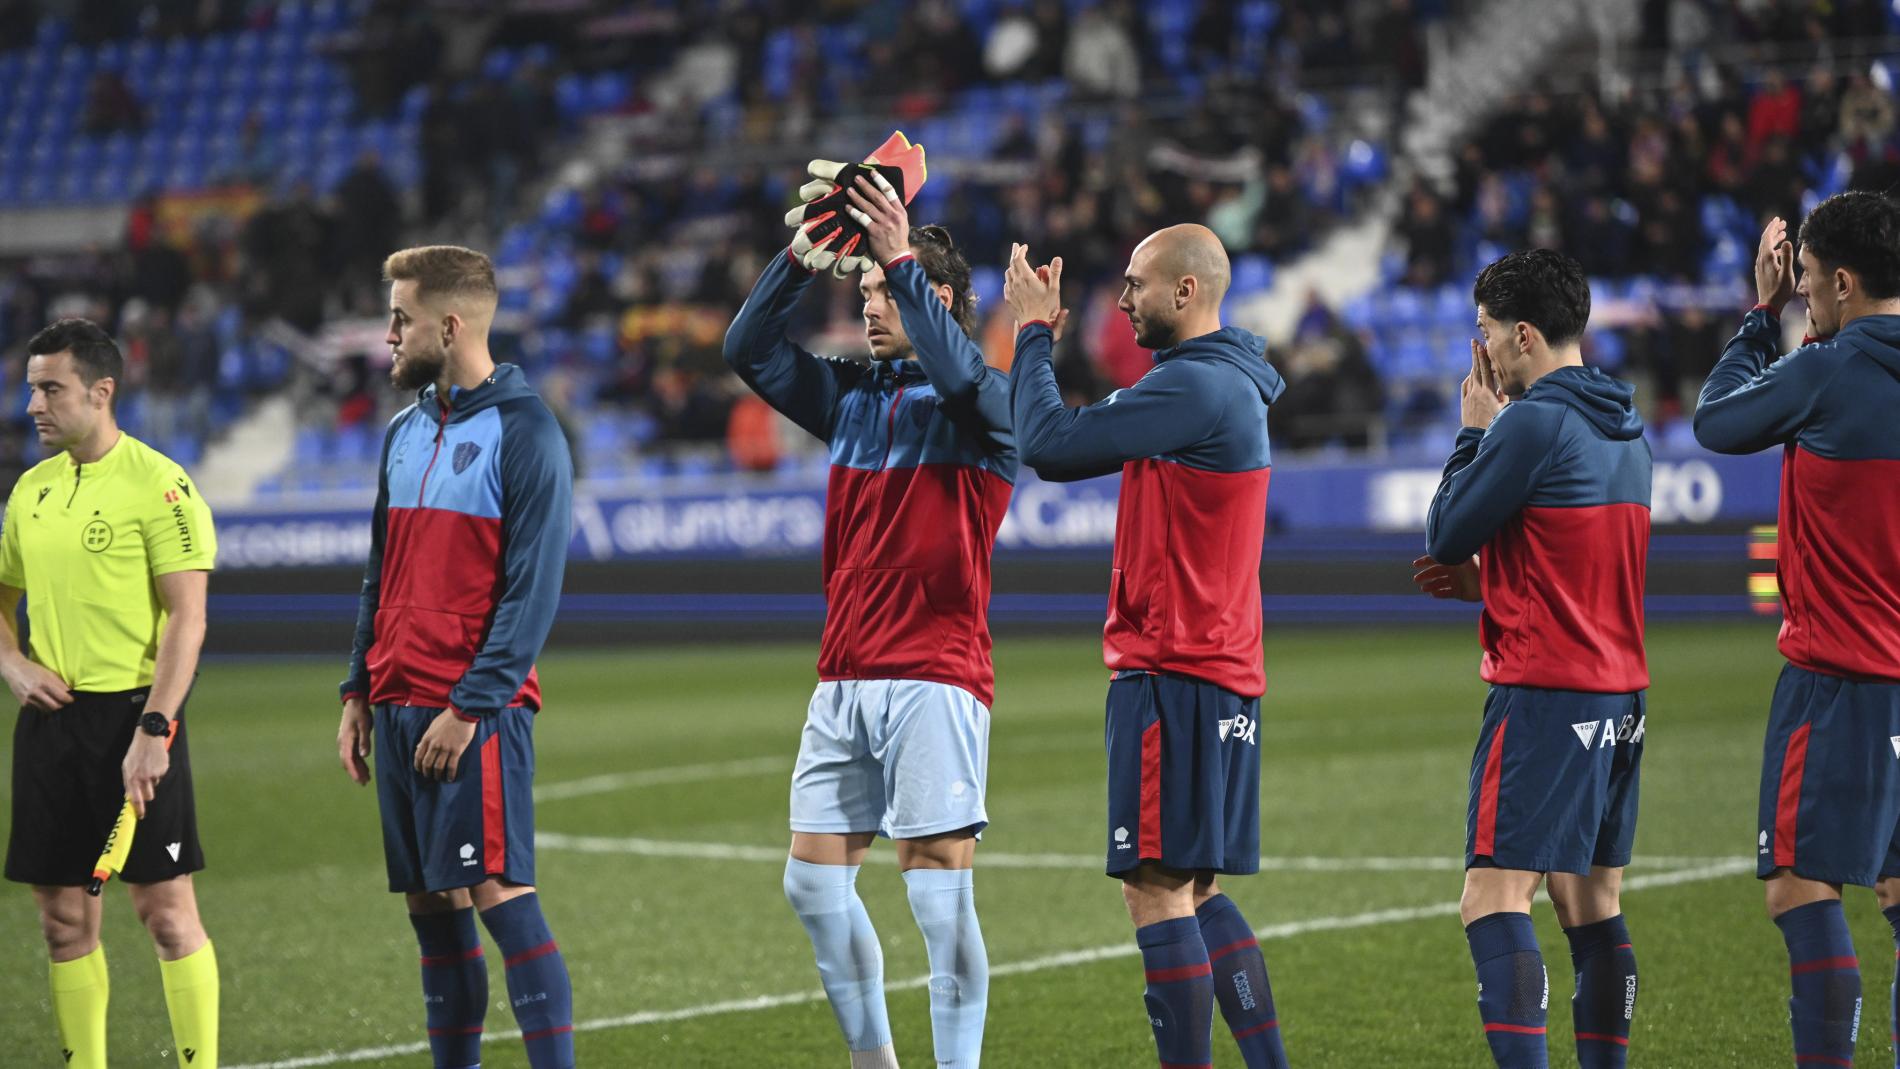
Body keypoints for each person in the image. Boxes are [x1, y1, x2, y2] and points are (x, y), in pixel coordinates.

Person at [722, 170, 1016, 1069]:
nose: (873, 304)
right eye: (869, 292)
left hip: (935, 674)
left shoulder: (985, 405)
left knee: (938, 903)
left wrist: (899, 252)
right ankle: (874, 1060)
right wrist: (801, 257)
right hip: (844, 676)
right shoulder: (851, 396)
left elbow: (963, 375)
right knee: (812, 888)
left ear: (947, 301)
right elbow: (749, 347)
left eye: (890, 290)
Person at [1006, 225, 1289, 1069]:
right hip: (1222, 670)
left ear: (1186, 293)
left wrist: (1029, 334)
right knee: (1196, 888)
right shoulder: (1224, 383)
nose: (1122, 298)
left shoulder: (1193, 387)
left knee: (1155, 888)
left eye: (1136, 282)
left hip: (1175, 670)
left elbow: (1049, 447)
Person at [335, 246, 576, 1069]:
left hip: (470, 712)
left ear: (449, 323)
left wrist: (470, 705)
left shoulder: (527, 430)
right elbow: (382, 568)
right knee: (433, 910)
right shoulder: (403, 432)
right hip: (398, 703)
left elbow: (532, 591)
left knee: (501, 901)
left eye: (400, 318)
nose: (389, 335)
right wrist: (357, 687)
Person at [1412, 250, 1651, 1069]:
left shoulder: (1532, 419)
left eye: (1484, 333)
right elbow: (1573, 563)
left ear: (1521, 336)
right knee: (1590, 901)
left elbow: (1444, 530)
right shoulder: (1626, 422)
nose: (1481, 352)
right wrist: (1495, 585)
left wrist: (1473, 427)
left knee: (1492, 897)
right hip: (1621, 696)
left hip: (1547, 693)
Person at [1692, 191, 1900, 1068]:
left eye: (1810, 281)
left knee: (1797, 887)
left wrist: (1758, 313)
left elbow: (1718, 419)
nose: (1805, 295)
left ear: (1843, 283)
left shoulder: (1827, 366)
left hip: (1836, 680)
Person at [2, 317, 219, 1068]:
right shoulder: (31, 489)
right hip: (49, 724)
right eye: (31, 387)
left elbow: (188, 619)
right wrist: (13, 662)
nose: (33, 404)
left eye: (50, 388)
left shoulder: (159, 483)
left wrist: (155, 729)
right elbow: (0, 597)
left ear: (101, 392)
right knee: (63, 922)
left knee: (163, 911)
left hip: (134, 717)